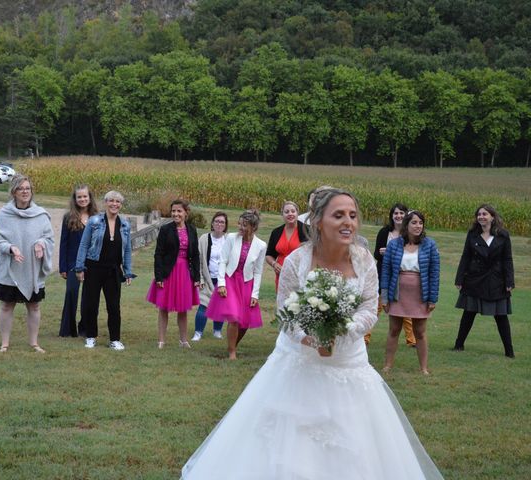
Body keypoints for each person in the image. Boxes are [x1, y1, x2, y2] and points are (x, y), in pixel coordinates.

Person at [181, 187, 444, 480]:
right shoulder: (297, 260)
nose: (348, 222)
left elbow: (370, 308)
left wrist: (340, 332)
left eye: (353, 216)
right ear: (318, 221)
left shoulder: (364, 261)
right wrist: (311, 337)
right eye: (339, 215)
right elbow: (286, 311)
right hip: (297, 362)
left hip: (348, 362)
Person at [0, 175, 54, 353]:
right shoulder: (4, 214)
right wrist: (11, 248)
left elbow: (49, 238)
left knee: (34, 305)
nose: (25, 191)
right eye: (21, 188)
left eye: (28, 188)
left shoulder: (41, 215)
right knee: (6, 305)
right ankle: (4, 343)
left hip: (32, 269)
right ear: (13, 192)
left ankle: (34, 343)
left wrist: (41, 244)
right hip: (9, 269)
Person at [452, 204, 515, 358]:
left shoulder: (503, 235)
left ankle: (509, 352)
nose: (481, 217)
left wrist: (509, 281)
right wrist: (459, 278)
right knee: (468, 313)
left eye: (484, 214)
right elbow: (465, 256)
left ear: (492, 217)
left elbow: (507, 259)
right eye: (479, 214)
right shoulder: (473, 234)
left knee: (501, 316)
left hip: (496, 281)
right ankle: (458, 345)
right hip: (474, 279)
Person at [381, 210, 439, 375]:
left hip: (421, 294)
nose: (418, 226)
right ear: (406, 225)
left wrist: (432, 299)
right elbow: (386, 271)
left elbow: (434, 274)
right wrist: (384, 297)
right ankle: (388, 365)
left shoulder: (430, 244)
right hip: (397, 292)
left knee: (419, 332)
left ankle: (423, 368)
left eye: (420, 223)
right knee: (394, 330)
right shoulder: (394, 244)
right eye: (414, 222)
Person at [75, 191, 135, 350]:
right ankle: (90, 336)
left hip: (114, 270)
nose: (115, 204)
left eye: (118, 202)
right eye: (112, 201)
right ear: (105, 202)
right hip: (93, 267)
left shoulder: (125, 224)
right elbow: (84, 245)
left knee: (114, 306)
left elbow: (127, 249)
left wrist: (128, 271)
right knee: (91, 304)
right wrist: (80, 267)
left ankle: (115, 339)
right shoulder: (94, 221)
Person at [205, 209, 267, 360]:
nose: (240, 227)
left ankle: (233, 345)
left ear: (253, 227)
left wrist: (255, 294)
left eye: (244, 225)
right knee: (234, 317)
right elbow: (223, 261)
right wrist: (221, 284)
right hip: (230, 279)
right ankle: (232, 352)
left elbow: (258, 271)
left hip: (247, 283)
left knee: (245, 322)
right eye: (239, 224)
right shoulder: (231, 238)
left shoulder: (261, 245)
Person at [147, 199, 200, 349]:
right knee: (164, 307)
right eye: (173, 211)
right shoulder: (166, 229)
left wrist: (197, 277)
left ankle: (183, 340)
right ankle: (161, 340)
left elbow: (195, 254)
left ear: (186, 213)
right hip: (168, 272)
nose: (176, 214)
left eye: (179, 211)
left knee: (183, 308)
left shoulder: (192, 229)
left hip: (185, 273)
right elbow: (158, 254)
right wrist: (159, 276)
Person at [371, 203, 416, 347]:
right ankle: (364, 336)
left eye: (402, 213)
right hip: (383, 272)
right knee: (377, 305)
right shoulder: (385, 232)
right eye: (396, 213)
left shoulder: (408, 234)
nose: (399, 216)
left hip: (402, 274)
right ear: (392, 216)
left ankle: (411, 339)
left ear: (406, 215)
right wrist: (382, 252)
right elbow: (376, 254)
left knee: (404, 306)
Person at [58, 184, 98, 337]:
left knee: (88, 297)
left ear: (90, 198)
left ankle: (85, 328)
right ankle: (68, 329)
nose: (82, 199)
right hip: (72, 263)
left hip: (92, 264)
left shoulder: (98, 218)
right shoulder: (68, 217)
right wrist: (63, 267)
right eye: (79, 197)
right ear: (75, 199)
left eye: (85, 196)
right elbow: (64, 243)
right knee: (71, 292)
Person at [192, 212, 228, 342]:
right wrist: (200, 278)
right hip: (207, 278)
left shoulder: (228, 239)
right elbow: (199, 260)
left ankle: (217, 330)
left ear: (225, 225)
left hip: (222, 280)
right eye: (217, 221)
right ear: (212, 223)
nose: (219, 224)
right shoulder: (204, 238)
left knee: (220, 305)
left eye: (222, 222)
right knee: (204, 305)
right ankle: (198, 332)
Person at [266, 201, 308, 291]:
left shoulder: (307, 230)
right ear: (282, 214)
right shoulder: (276, 232)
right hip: (281, 275)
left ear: (297, 213)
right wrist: (274, 264)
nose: (290, 214)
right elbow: (269, 255)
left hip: (300, 275)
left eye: (293, 211)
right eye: (286, 212)